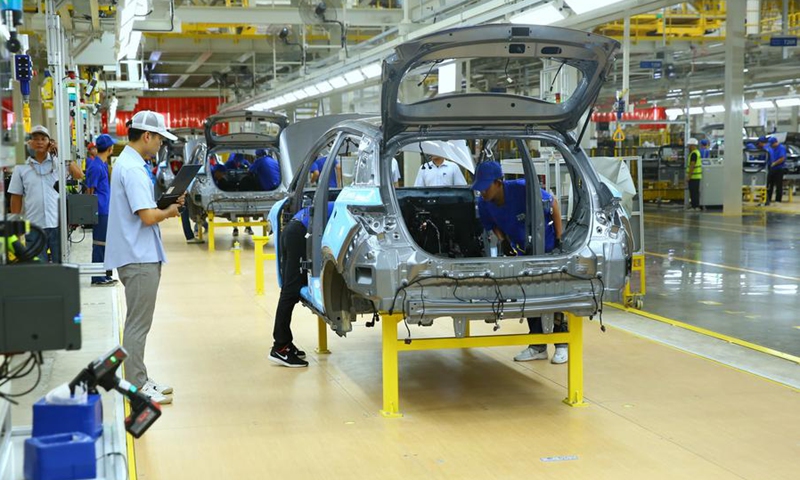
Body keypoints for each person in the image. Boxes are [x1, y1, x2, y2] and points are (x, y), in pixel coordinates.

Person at [105, 111, 181, 404]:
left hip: (137, 253)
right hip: (138, 257)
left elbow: (143, 209)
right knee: (138, 324)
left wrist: (166, 203)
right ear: (147, 136)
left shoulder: (129, 163)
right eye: (160, 137)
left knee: (139, 322)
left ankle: (140, 377)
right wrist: (170, 212)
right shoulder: (134, 169)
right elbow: (148, 217)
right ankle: (135, 385)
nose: (161, 143)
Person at [470, 161, 567, 364]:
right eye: (480, 188)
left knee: (551, 295)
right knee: (528, 297)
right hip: (522, 252)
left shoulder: (523, 189)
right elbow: (491, 225)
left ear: (498, 182)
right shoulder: (484, 203)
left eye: (486, 187)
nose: (483, 192)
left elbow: (554, 204)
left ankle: (562, 343)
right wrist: (503, 240)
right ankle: (538, 346)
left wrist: (560, 239)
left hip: (546, 247)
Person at [270, 201, 335, 368]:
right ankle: (280, 347)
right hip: (297, 235)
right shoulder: (352, 208)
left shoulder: (337, 202)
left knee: (289, 289)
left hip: (293, 230)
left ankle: (285, 344)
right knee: (290, 292)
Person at [7, 125, 79, 263]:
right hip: (34, 226)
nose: (39, 142)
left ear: (49, 142)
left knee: (61, 264)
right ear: (29, 142)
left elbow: (78, 175)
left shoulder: (58, 163)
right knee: (38, 265)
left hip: (58, 224)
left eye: (43, 139)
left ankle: (59, 285)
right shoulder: (21, 167)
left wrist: (62, 153)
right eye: (35, 139)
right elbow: (16, 197)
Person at [85, 134, 117, 285]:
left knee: (105, 243)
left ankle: (104, 273)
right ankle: (97, 277)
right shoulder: (96, 166)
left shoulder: (102, 164)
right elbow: (90, 191)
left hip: (106, 208)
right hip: (100, 210)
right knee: (99, 243)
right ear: (110, 149)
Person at [766, 136, 787, 205]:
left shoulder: (781, 148)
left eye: (772, 144)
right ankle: (768, 199)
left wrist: (774, 163)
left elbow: (782, 158)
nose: (771, 146)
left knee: (778, 185)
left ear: (775, 143)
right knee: (770, 184)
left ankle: (778, 200)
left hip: (779, 169)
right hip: (772, 168)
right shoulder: (772, 148)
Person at [686, 137, 702, 211]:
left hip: (694, 176)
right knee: (694, 192)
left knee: (693, 192)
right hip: (696, 176)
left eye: (689, 145)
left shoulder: (693, 154)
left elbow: (692, 165)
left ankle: (695, 206)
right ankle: (695, 206)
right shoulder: (697, 152)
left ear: (692, 145)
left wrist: (689, 176)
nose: (688, 147)